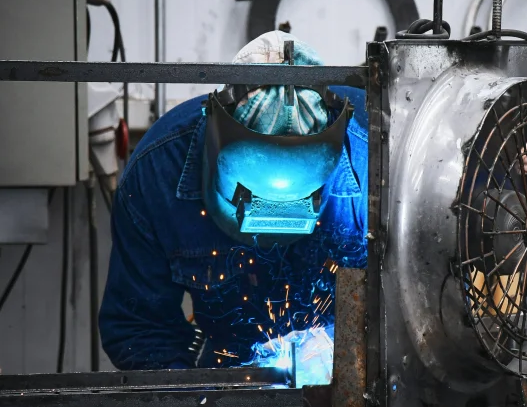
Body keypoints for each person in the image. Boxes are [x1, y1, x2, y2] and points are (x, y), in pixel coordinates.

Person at [99, 31, 368, 371]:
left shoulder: (374, 162)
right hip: (221, 375)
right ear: (214, 141)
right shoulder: (158, 171)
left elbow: (409, 305)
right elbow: (140, 329)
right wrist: (197, 396)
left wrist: (339, 353)